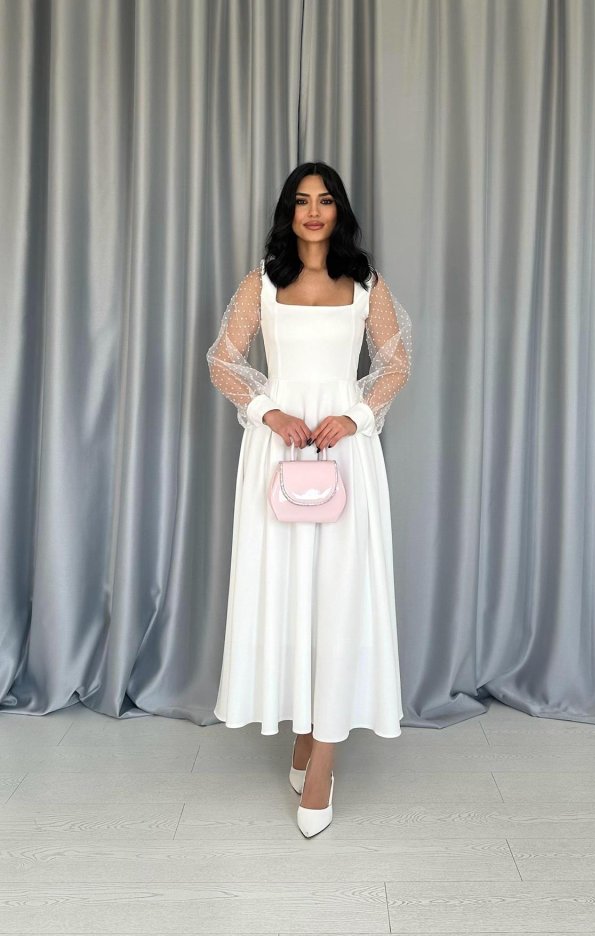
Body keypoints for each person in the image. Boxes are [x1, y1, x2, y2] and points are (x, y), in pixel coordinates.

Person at [206, 161, 412, 837]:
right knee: (288, 593)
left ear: (339, 210)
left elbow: (396, 362)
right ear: (288, 213)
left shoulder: (367, 284)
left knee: (339, 598)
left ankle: (323, 759)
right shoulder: (262, 283)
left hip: (344, 451)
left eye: (325, 200)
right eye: (302, 201)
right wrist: (267, 411)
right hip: (279, 453)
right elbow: (223, 359)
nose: (314, 211)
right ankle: (303, 732)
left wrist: (356, 417)